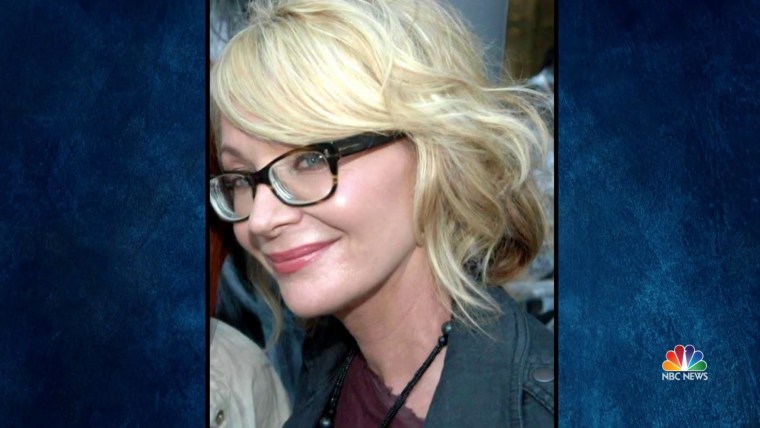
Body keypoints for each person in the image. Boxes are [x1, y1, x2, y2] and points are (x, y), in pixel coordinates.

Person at [209, 0, 554, 426]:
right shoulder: (330, 360)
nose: (260, 221)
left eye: (311, 159)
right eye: (242, 177)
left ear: (433, 148)